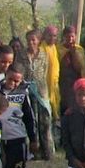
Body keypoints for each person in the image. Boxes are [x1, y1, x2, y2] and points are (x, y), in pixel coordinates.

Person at [25, 30, 54, 160]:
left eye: (34, 40)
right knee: (32, 121)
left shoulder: (43, 54)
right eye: (29, 40)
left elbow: (46, 71)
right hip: (26, 91)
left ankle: (47, 151)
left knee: (45, 121)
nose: (31, 42)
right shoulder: (22, 55)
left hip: (42, 91)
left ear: (38, 40)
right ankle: (34, 152)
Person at [57, 26, 85, 116]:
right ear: (63, 37)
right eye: (67, 37)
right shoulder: (58, 49)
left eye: (72, 36)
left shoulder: (79, 50)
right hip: (62, 82)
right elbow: (59, 65)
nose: (70, 39)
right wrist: (67, 54)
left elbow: (80, 68)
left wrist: (73, 54)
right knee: (63, 106)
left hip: (75, 82)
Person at [40, 26, 61, 121]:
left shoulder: (53, 47)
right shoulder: (41, 48)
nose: (52, 38)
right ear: (45, 35)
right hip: (45, 83)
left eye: (55, 36)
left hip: (54, 81)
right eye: (50, 35)